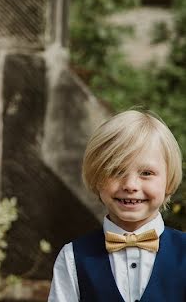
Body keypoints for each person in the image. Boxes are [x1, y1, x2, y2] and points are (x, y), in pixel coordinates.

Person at [48, 110, 185, 302]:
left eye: (146, 173)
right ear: (97, 179)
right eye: (117, 171)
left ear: (168, 181)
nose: (130, 185)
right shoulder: (72, 258)